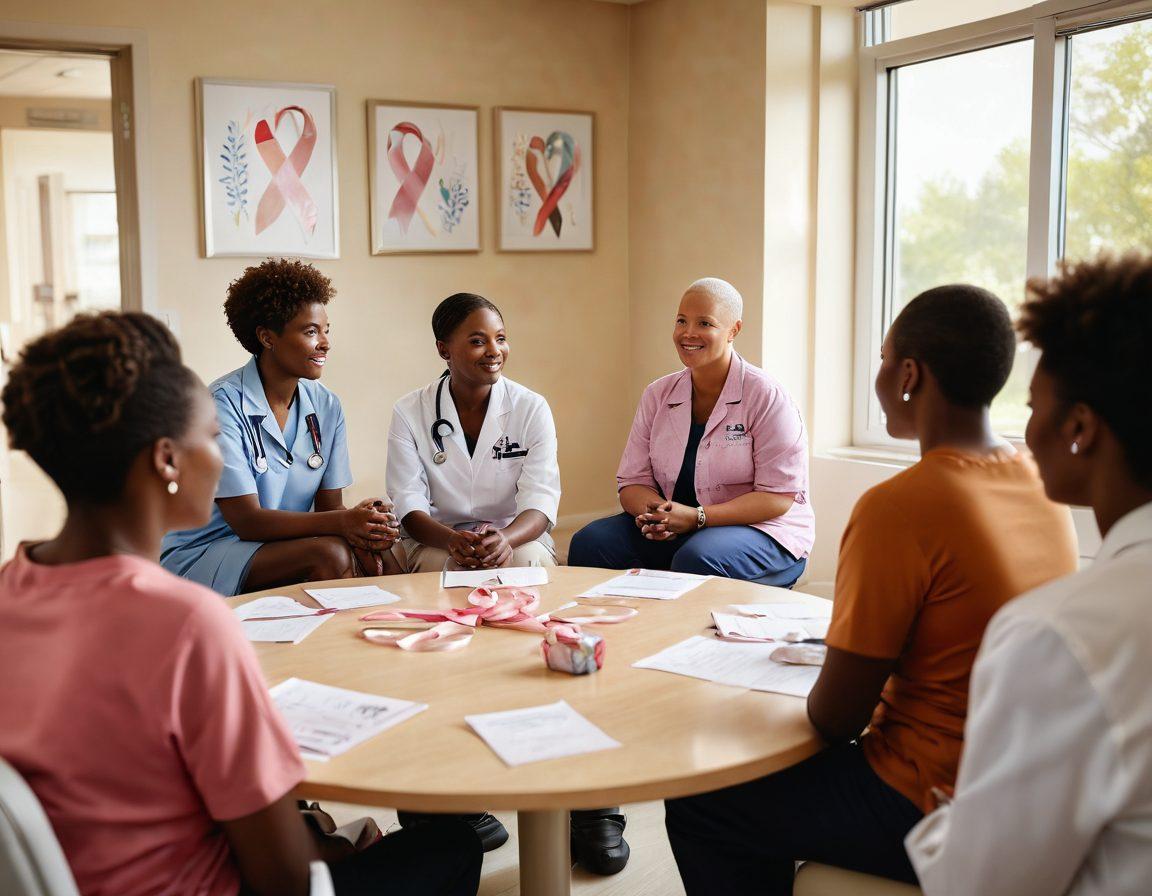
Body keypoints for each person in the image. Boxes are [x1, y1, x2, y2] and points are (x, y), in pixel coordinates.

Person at [0, 311, 482, 896]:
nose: (223, 461)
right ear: (167, 461)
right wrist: (318, 845)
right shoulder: (187, 624)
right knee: (452, 844)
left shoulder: (11, 589)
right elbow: (283, 877)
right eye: (211, 439)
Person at [664, 284, 1079, 894]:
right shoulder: (1039, 482)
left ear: (909, 374)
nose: (878, 377)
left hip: (928, 798)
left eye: (883, 360)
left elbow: (836, 718)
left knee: (702, 796)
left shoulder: (902, 505)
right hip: (1021, 784)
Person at [906, 254, 1152, 895]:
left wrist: (945, 819)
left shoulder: (1060, 635)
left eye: (1034, 405)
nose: (1027, 432)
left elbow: (976, 886)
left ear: (1079, 428)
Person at [162, 259, 400, 596]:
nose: (325, 343)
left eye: (326, 330)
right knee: (330, 553)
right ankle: (316, 648)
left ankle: (346, 646)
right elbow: (247, 521)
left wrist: (367, 525)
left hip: (274, 545)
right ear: (267, 337)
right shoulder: (222, 404)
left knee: (382, 554)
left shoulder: (326, 406)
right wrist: (344, 524)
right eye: (310, 331)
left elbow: (330, 509)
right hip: (206, 550)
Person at [568, 277, 813, 586]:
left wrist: (697, 518)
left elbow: (778, 497)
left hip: (765, 530)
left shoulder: (766, 395)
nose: (688, 333)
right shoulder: (658, 394)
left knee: (696, 558)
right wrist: (660, 516)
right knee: (590, 543)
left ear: (733, 330)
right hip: (682, 528)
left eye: (704, 323)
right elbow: (633, 482)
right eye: (681, 320)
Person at [387, 292, 559, 574]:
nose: (494, 351)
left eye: (500, 338)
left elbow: (541, 497)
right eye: (478, 341)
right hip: (438, 537)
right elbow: (408, 502)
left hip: (515, 534)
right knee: (445, 568)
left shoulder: (531, 407)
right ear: (444, 350)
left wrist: (505, 539)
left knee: (528, 564)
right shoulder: (409, 411)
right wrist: (452, 540)